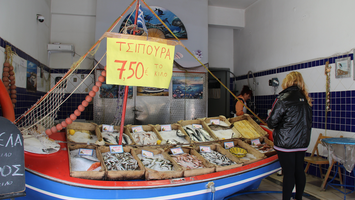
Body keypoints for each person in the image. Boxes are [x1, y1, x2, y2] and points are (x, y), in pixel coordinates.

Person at [266, 71, 312, 200]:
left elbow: (272, 122)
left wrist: (270, 121)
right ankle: (298, 198)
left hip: (286, 144)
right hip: (302, 143)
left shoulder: (283, 98)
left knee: (288, 174)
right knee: (299, 172)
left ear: (287, 82)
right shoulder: (306, 99)